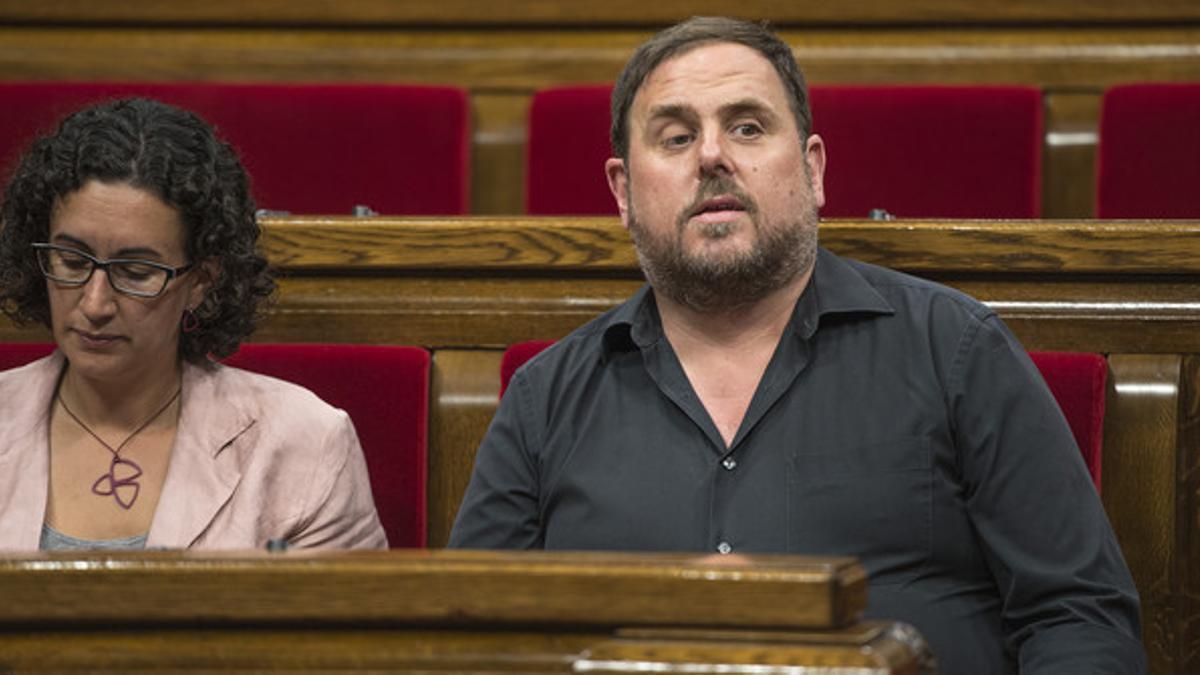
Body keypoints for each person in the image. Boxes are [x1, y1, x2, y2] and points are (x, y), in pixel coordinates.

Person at [449, 16, 1143, 673]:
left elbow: (1076, 615)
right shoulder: (545, 400)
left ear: (812, 171)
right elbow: (465, 642)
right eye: (676, 136)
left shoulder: (955, 350)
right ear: (624, 192)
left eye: (747, 127)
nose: (714, 155)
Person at [0, 97, 386, 550]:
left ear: (201, 280)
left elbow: (331, 619)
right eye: (70, 261)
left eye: (136, 272)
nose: (95, 302)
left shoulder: (304, 444)